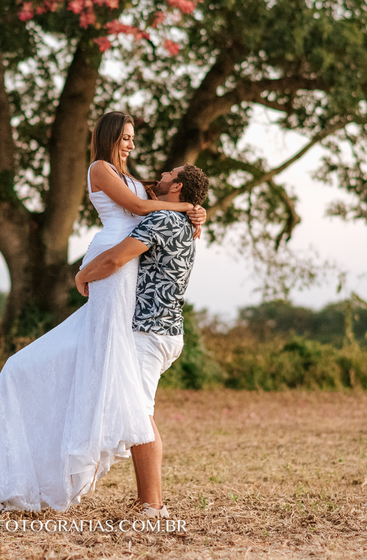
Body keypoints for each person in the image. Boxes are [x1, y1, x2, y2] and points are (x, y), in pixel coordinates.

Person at [0, 111, 205, 512]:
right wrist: (187, 210)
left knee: (119, 373)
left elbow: (158, 198)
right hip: (111, 263)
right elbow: (138, 206)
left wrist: (195, 208)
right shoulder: (100, 168)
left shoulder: (137, 180)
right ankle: (134, 490)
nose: (131, 144)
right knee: (107, 362)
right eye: (125, 137)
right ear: (109, 136)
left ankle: (144, 496)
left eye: (132, 138)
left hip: (124, 272)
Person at [74, 163, 209, 519]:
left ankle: (152, 505)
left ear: (176, 187)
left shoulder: (163, 220)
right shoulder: (181, 221)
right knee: (138, 410)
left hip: (149, 332)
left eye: (168, 174)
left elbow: (118, 258)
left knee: (139, 414)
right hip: (166, 330)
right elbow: (141, 195)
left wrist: (84, 273)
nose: (160, 175)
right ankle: (146, 501)